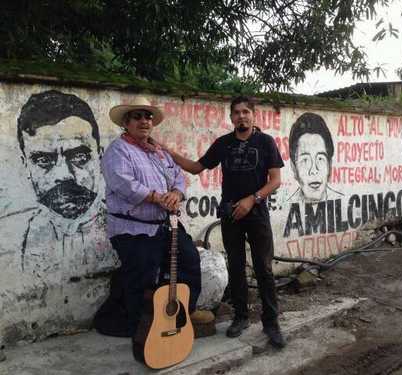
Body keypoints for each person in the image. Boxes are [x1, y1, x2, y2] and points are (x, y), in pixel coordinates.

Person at [164, 96, 286, 348]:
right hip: (230, 214)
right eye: (236, 113)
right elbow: (197, 167)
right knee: (236, 266)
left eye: (245, 112)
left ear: (253, 115)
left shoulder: (265, 142)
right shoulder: (223, 144)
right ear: (231, 118)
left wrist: (252, 200)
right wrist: (169, 153)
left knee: (264, 268)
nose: (241, 116)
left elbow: (275, 180)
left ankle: (271, 323)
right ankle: (240, 317)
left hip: (257, 213)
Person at [101, 97, 212, 338]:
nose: (144, 121)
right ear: (126, 123)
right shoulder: (118, 150)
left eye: (147, 117)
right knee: (141, 276)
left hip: (165, 225)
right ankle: (138, 328)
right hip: (133, 228)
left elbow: (178, 177)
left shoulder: (159, 152)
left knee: (189, 261)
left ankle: (182, 314)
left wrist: (175, 193)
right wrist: (155, 197)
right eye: (137, 117)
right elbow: (123, 184)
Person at [15, 89, 112, 273]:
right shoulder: (18, 238)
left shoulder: (121, 228)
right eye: (43, 160)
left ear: (100, 158)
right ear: (25, 166)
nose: (64, 174)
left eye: (80, 156)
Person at [287, 112, 343, 202]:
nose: (313, 170)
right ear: (294, 168)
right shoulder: (285, 206)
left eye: (320, 159)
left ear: (330, 165)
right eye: (305, 160)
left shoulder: (342, 201)